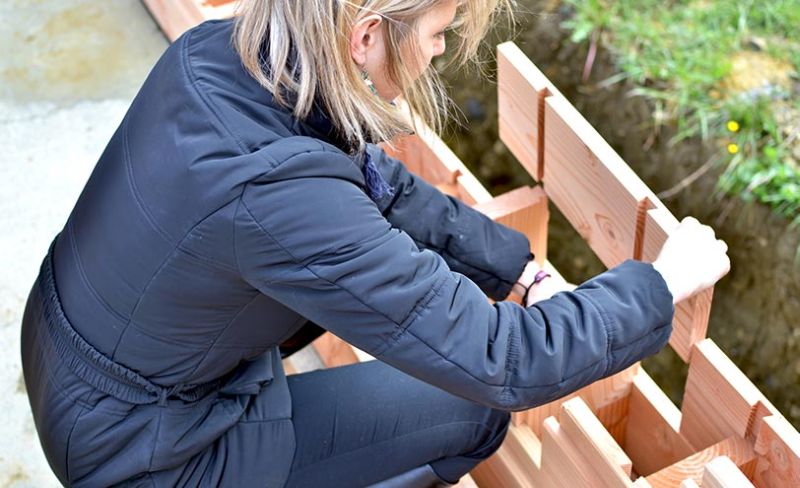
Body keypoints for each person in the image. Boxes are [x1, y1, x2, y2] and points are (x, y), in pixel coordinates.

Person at [20, 0, 730, 486]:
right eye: (438, 32)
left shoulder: (221, 52)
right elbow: (501, 359)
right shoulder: (280, 197)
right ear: (364, 37)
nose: (441, 49)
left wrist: (519, 270)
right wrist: (659, 286)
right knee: (476, 407)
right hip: (142, 456)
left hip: (80, 355)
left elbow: (373, 183)